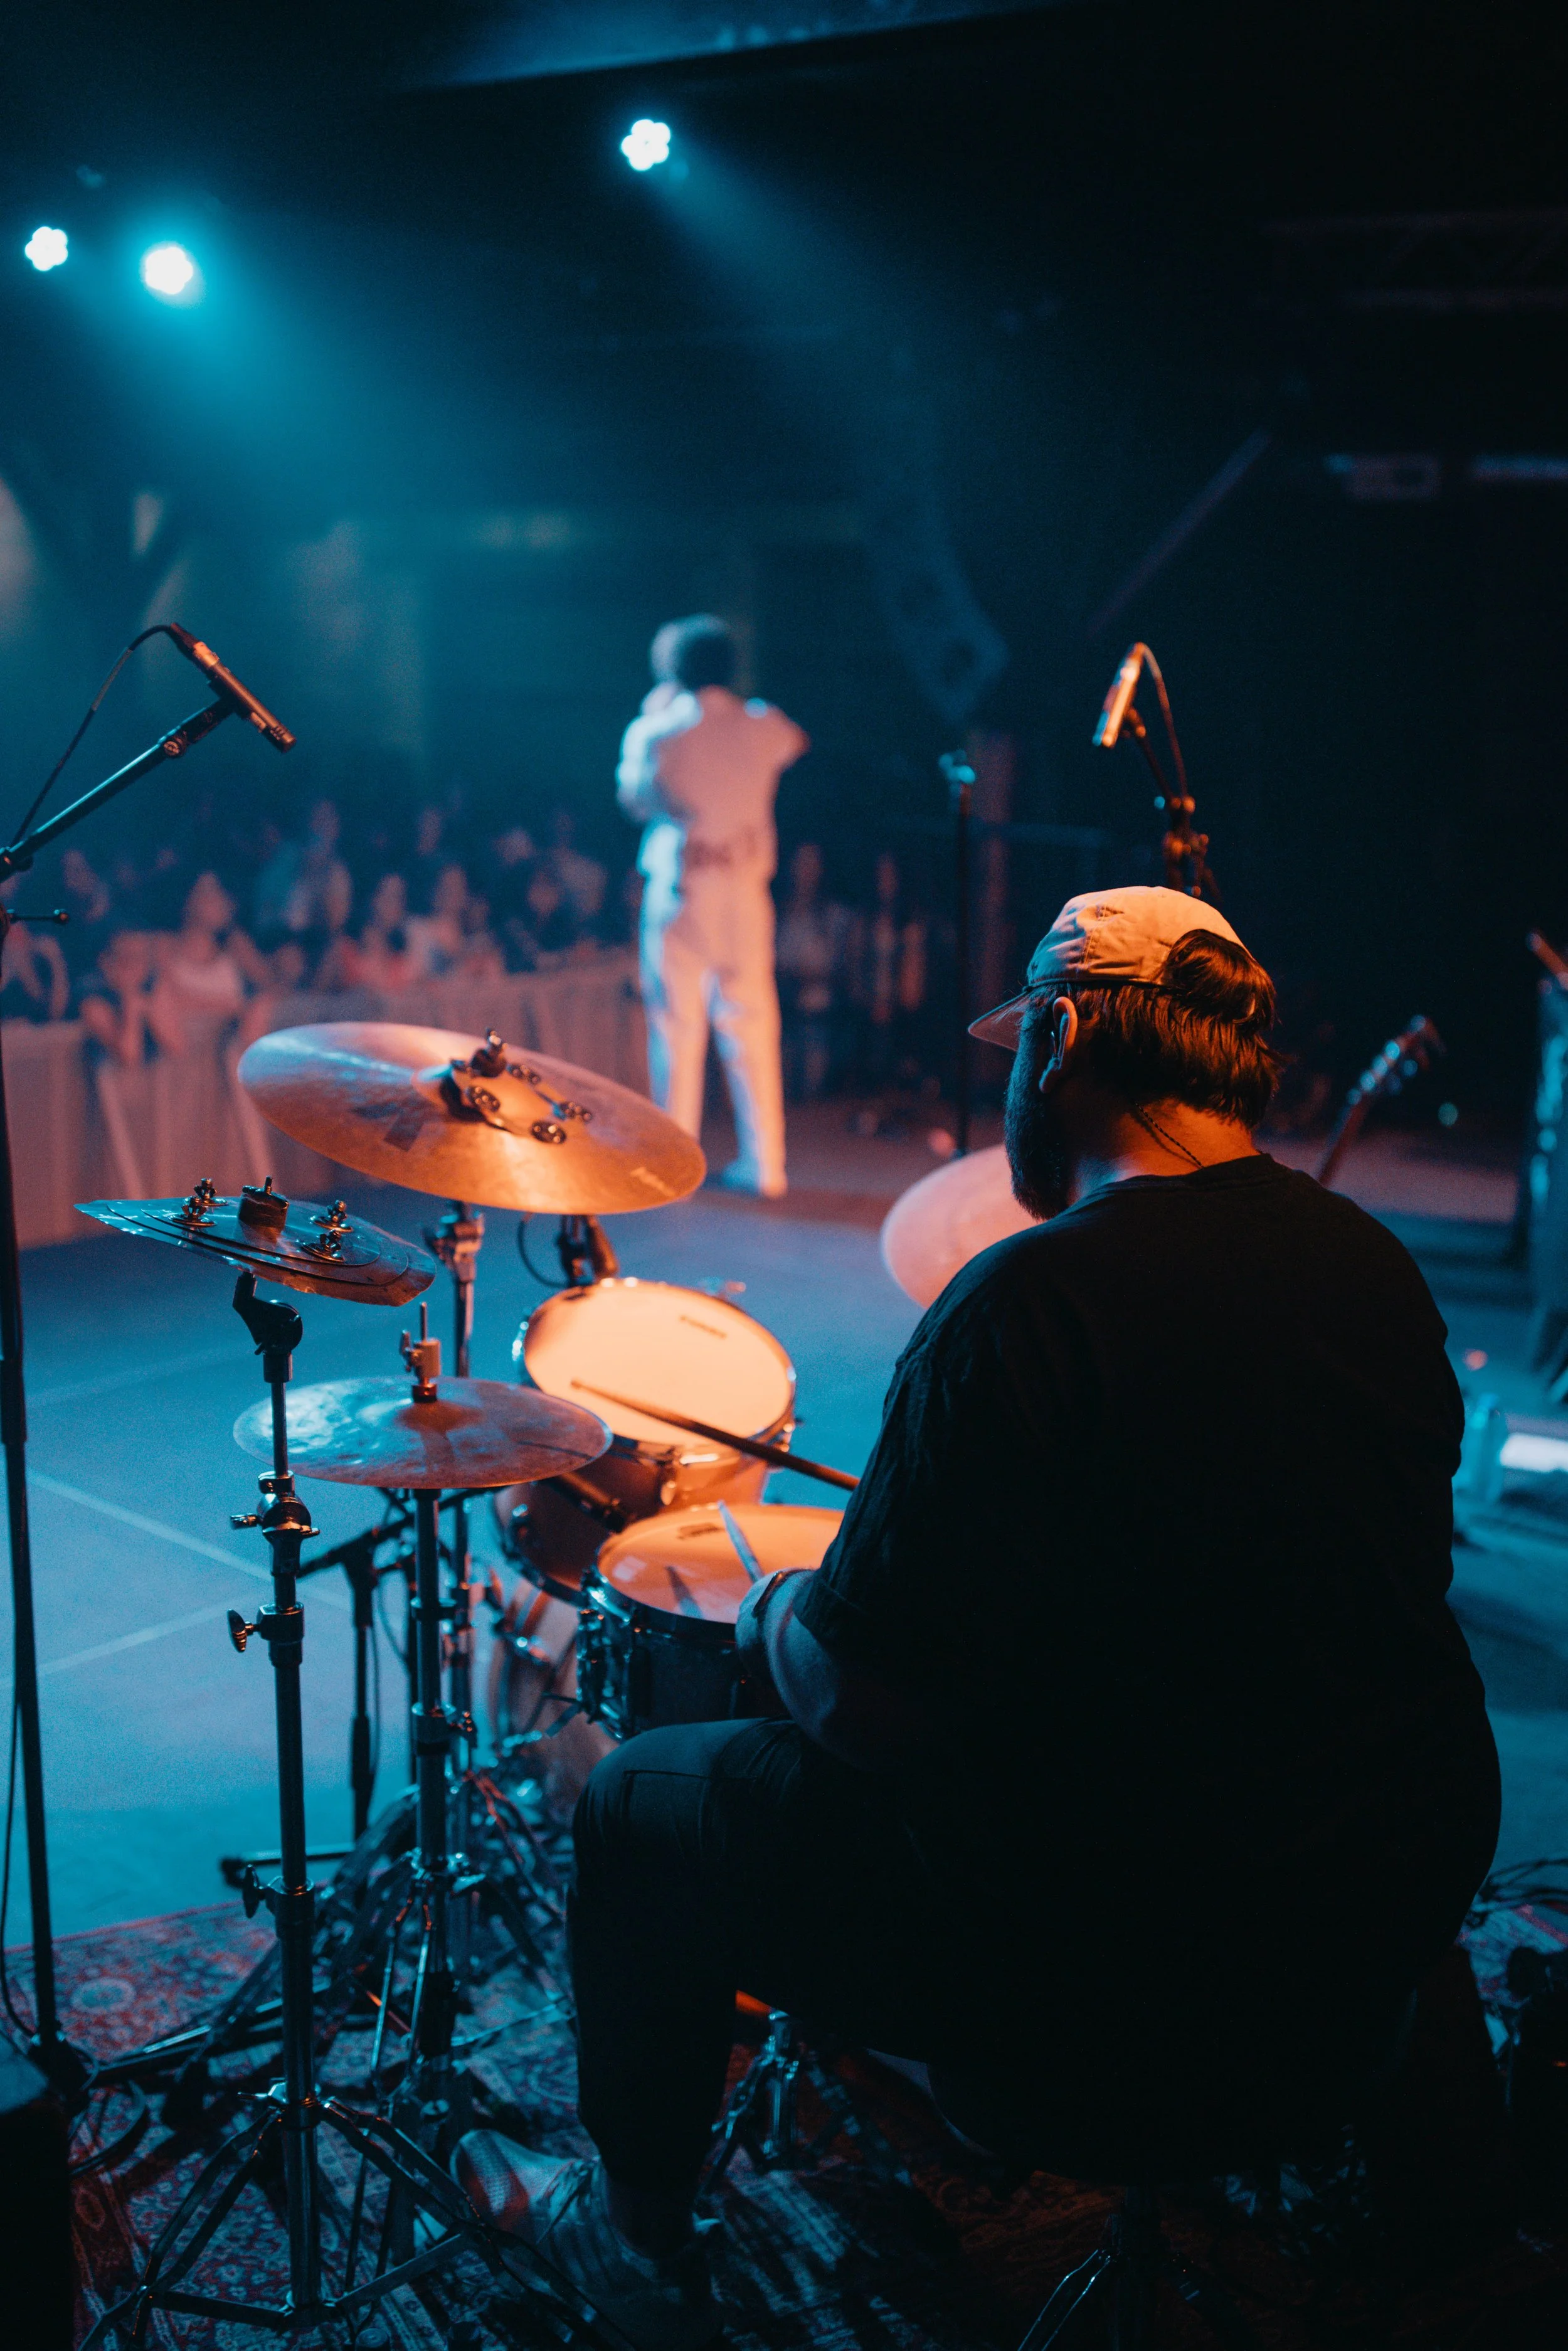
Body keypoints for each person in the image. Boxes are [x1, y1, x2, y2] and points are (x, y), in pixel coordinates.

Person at [452, 884, 1500, 2350]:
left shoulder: (1028, 1299)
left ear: (1061, 1037)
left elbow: (868, 1701)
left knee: (640, 1802)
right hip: (1358, 1913)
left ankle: (629, 2238)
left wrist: (774, 1610)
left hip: (1100, 1965)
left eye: (1022, 1044)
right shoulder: (1374, 1269)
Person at [616, 615, 808, 1197]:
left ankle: (675, 1166)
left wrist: (659, 710)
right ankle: (767, 1164)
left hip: (684, 889)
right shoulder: (762, 725)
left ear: (672, 670)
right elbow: (794, 741)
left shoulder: (659, 731)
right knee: (753, 1025)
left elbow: (632, 799)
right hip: (746, 893)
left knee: (677, 1028)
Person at [775, 841, 852, 1101]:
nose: (805, 871)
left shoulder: (834, 916)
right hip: (783, 1013)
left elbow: (847, 968)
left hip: (819, 1018)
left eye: (812, 865)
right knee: (779, 1090)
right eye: (800, 864)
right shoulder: (778, 913)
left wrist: (811, 976)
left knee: (813, 1094)